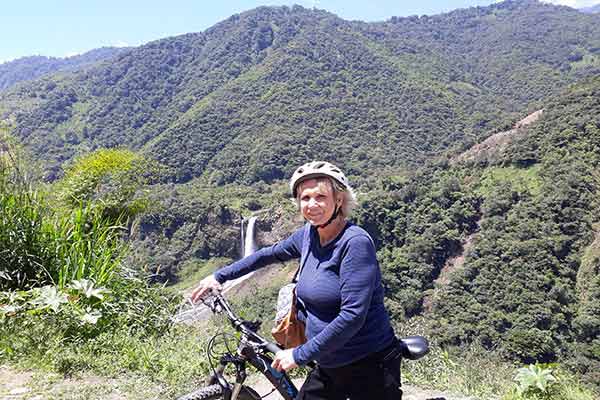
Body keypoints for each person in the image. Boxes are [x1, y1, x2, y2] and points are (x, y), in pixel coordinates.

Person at [191, 161, 401, 400]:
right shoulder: (308, 235)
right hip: (328, 363)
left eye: (321, 196)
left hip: (369, 365)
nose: (312, 205)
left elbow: (353, 315)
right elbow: (267, 255)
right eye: (305, 197)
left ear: (339, 200)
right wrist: (219, 276)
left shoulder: (355, 243)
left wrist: (299, 354)